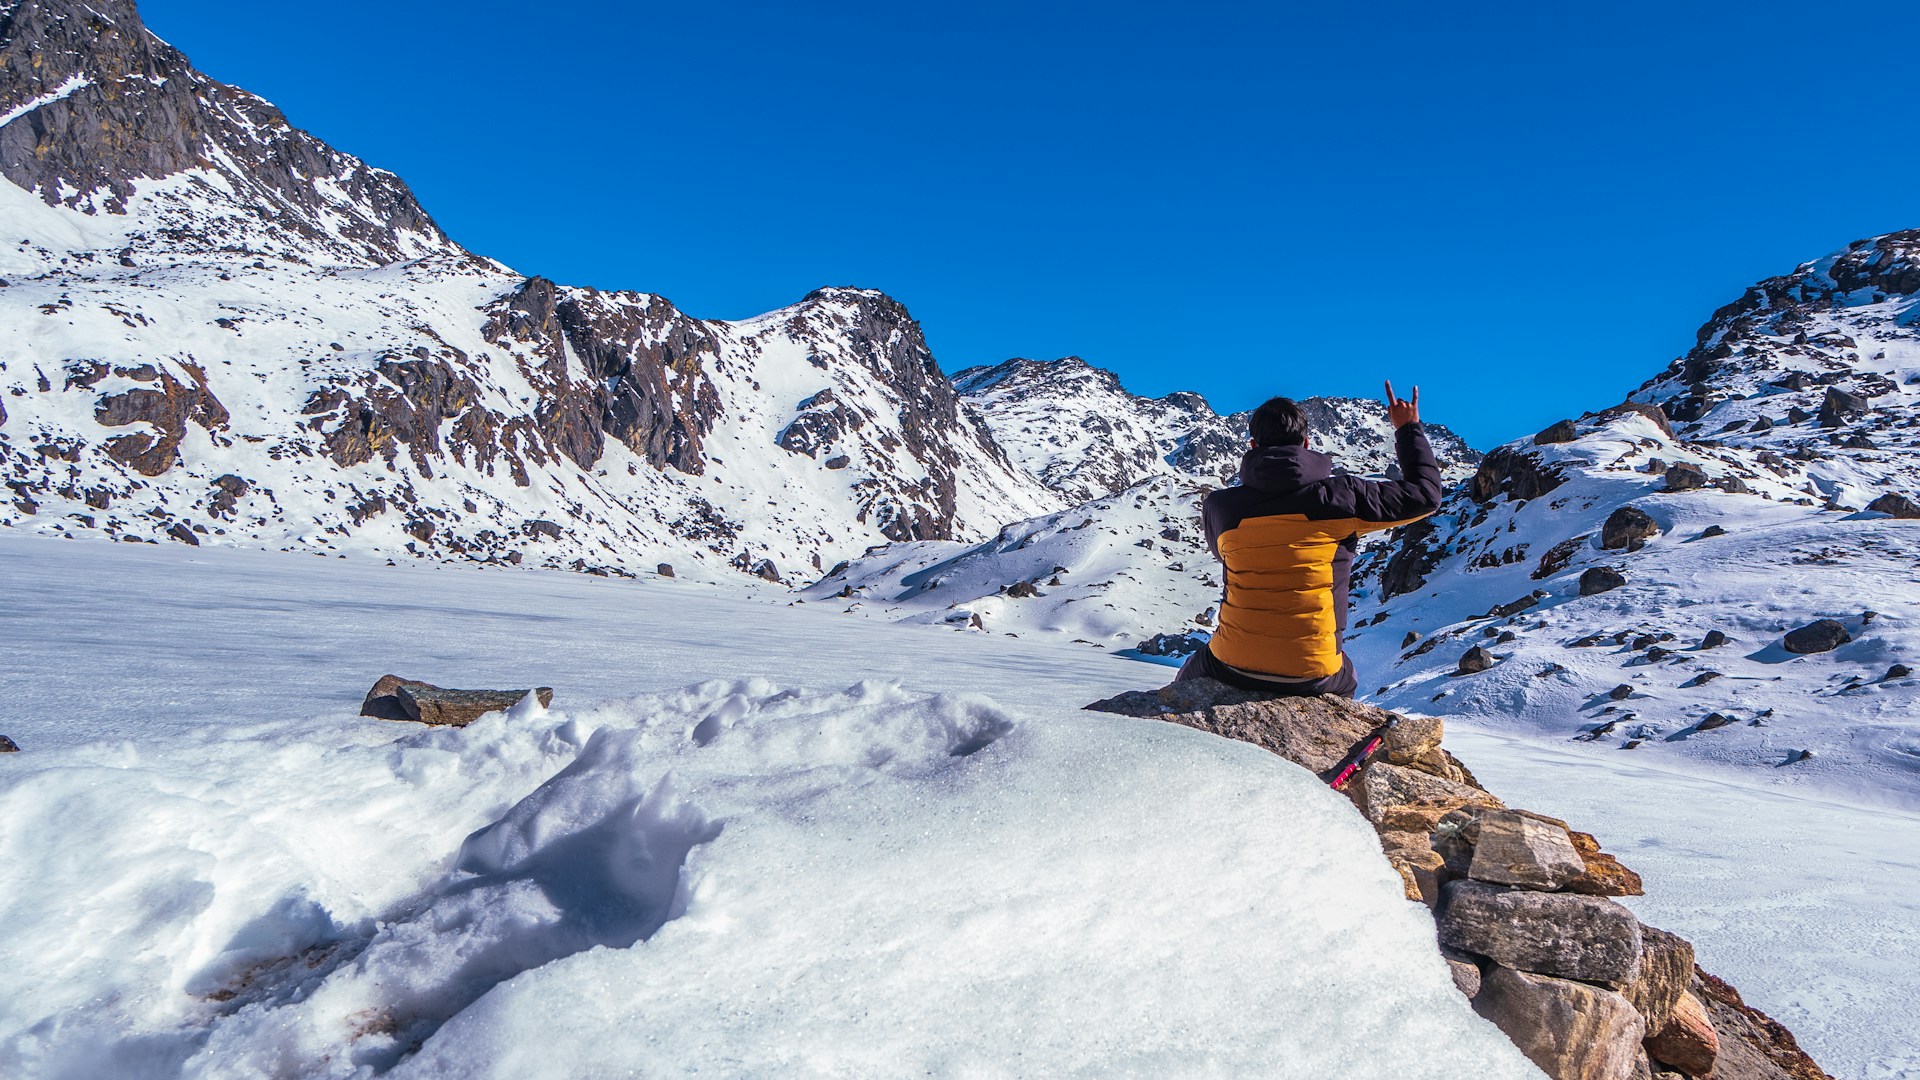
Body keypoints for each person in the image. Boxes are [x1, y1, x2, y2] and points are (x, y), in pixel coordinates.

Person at [1176, 382, 1441, 698]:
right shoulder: (1343, 497)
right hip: (1311, 672)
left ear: (1252, 445)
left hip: (1232, 662)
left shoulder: (1220, 507)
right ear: (1306, 443)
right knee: (1347, 676)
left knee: (1189, 675)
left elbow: (1227, 558)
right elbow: (1425, 495)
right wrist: (1408, 428)